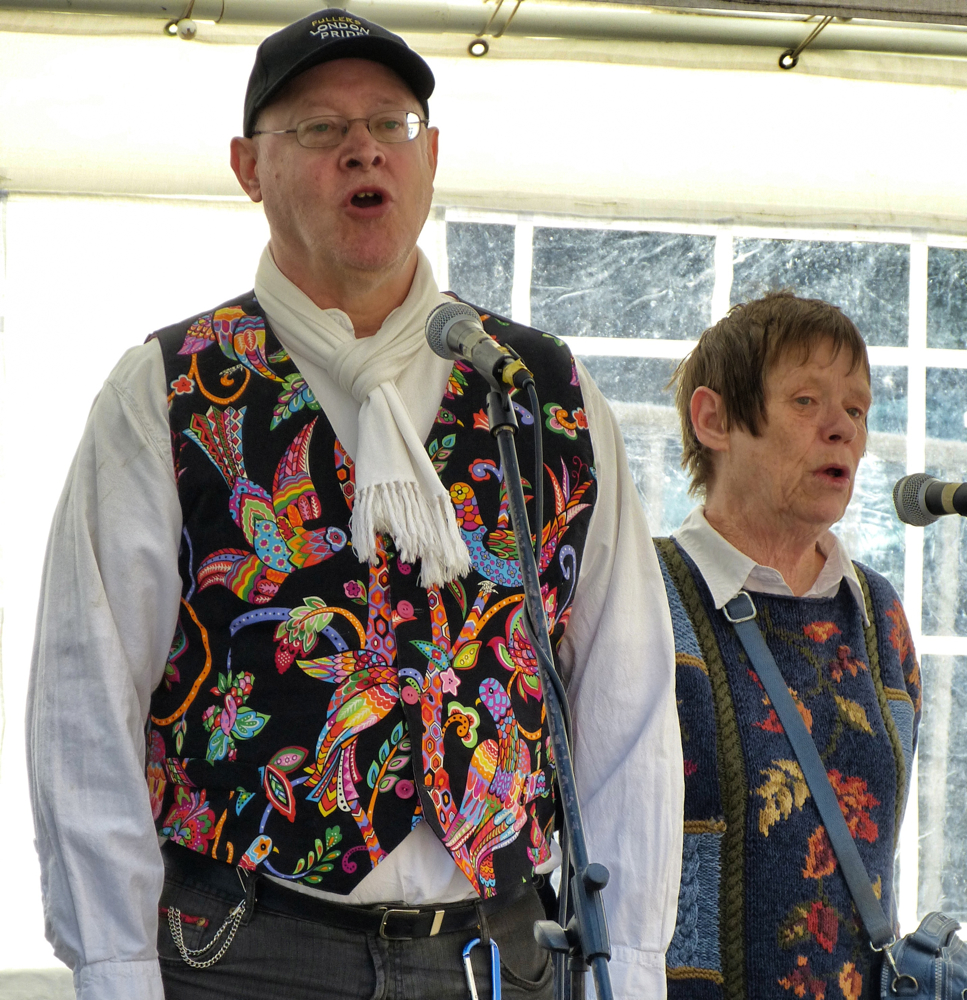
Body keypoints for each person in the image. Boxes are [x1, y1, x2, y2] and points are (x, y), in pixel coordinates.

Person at [26, 10, 683, 1000]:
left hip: (502, 948)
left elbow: (625, 698)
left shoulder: (543, 390)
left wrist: (624, 969)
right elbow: (84, 703)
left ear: (430, 158)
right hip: (243, 950)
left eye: (390, 124)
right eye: (319, 128)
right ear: (249, 167)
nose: (363, 149)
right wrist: (116, 971)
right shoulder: (167, 388)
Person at [656, 292, 921, 999]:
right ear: (713, 419)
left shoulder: (879, 615)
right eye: (807, 401)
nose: (842, 430)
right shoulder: (641, 595)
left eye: (857, 410)